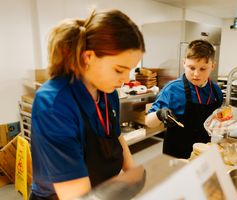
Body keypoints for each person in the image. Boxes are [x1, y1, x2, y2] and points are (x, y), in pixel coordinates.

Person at [30, 9, 145, 200]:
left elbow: (116, 137)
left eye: (130, 70)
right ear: (88, 58)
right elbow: (76, 195)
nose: (125, 79)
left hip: (100, 190)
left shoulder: (108, 92)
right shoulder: (54, 104)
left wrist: (135, 177)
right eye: (119, 69)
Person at [145, 39, 223, 159]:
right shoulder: (172, 89)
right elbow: (148, 122)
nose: (196, 74)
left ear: (212, 66)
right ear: (184, 63)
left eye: (203, 69)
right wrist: (159, 114)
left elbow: (216, 120)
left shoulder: (216, 91)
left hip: (202, 153)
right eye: (191, 68)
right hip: (175, 154)